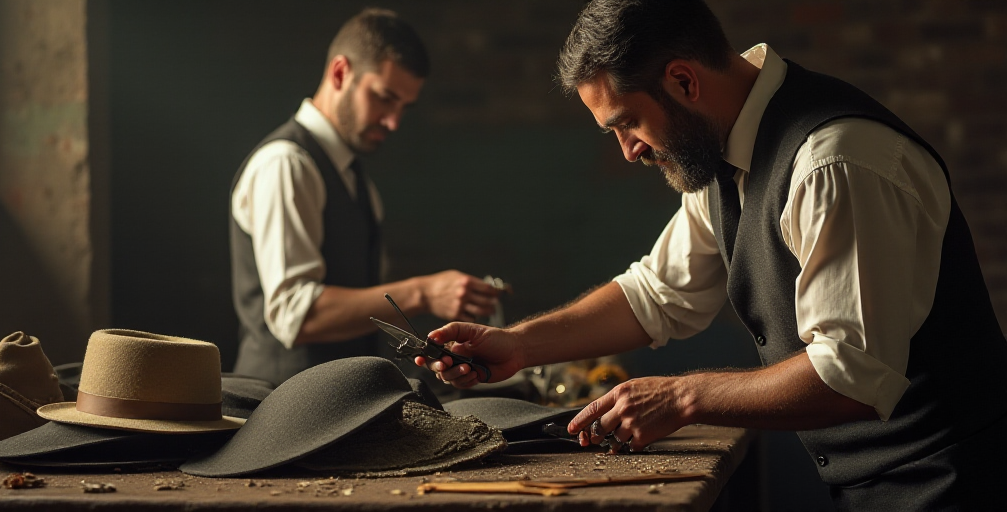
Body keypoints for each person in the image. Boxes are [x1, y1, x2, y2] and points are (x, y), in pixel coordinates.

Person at [418, 0, 1007, 509]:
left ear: (682, 82)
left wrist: (682, 397)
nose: (627, 152)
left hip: (956, 485)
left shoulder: (835, 164)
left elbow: (849, 375)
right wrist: (520, 345)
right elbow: (659, 294)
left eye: (628, 124)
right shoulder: (717, 152)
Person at [230, 8, 500, 386]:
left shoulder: (356, 181)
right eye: (384, 98)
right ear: (341, 73)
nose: (393, 122)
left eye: (403, 107)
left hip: (337, 408)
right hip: (280, 412)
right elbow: (296, 314)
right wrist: (422, 293)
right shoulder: (286, 164)